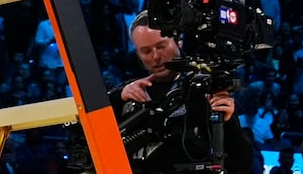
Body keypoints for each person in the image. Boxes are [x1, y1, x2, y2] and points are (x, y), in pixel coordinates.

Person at [108, 16, 255, 173]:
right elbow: (84, 136)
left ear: (179, 41)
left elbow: (243, 161)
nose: (155, 56)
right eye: (146, 51)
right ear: (137, 54)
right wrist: (117, 98)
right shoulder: (127, 92)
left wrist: (228, 122)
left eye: (161, 46)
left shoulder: (205, 88)